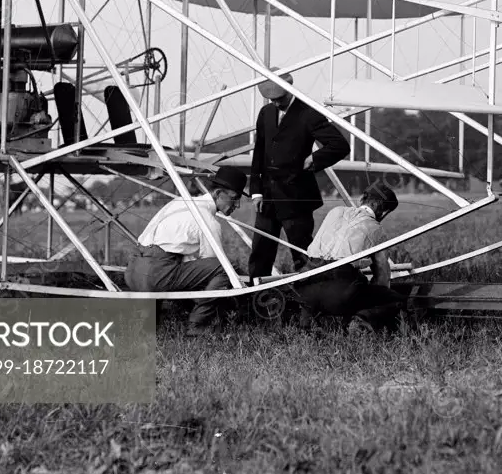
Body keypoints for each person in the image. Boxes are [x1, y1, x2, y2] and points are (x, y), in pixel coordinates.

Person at [124, 166, 247, 336]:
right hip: (156, 275)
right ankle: (198, 325)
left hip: (132, 271)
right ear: (218, 194)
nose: (238, 205)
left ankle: (149, 326)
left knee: (174, 266)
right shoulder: (209, 221)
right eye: (234, 199)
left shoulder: (181, 202)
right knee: (227, 268)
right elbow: (215, 266)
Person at [248, 71, 349, 277]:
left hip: (296, 196)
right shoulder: (265, 113)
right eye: (272, 99)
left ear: (290, 90)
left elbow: (339, 145)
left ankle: (309, 293)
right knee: (260, 251)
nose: (276, 103)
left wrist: (316, 158)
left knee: (302, 251)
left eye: (280, 98)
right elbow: (259, 153)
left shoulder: (308, 113)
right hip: (267, 197)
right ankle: (254, 293)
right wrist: (256, 192)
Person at [293, 182, 405, 333]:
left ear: (361, 200)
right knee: (395, 299)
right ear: (380, 208)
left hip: (303, 286)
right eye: (386, 212)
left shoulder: (335, 211)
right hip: (340, 292)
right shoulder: (377, 230)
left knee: (316, 288)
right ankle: (360, 321)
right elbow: (382, 277)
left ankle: (306, 323)